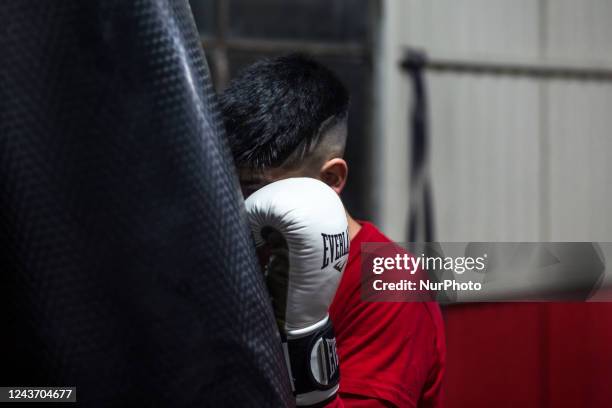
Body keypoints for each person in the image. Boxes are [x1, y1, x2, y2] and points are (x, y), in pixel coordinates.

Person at [219, 54, 445, 408]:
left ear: (331, 179)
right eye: (232, 185)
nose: (243, 205)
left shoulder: (391, 284)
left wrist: (304, 329)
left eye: (256, 188)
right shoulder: (241, 249)